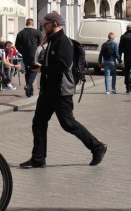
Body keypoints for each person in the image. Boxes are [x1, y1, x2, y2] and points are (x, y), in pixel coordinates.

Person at [20, 12, 106, 169]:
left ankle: (97, 147)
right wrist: (42, 67)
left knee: (68, 124)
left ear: (54, 24)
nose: (43, 27)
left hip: (60, 91)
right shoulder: (52, 40)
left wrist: (42, 69)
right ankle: (38, 158)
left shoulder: (63, 42)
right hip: (48, 91)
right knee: (38, 123)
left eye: (45, 24)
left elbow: (63, 65)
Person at [15, 18, 43, 97]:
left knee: (28, 71)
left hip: (25, 54)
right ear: (32, 23)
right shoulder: (36, 32)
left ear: (26, 23)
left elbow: (17, 45)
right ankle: (28, 86)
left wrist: (22, 51)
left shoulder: (20, 33)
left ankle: (29, 91)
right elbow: (41, 43)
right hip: (34, 54)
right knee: (34, 70)